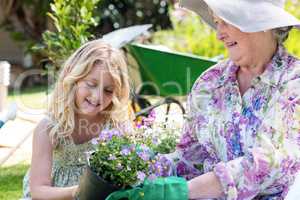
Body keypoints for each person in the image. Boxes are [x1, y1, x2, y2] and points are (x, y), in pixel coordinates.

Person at [107, 0, 300, 200]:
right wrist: (133, 176)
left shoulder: (294, 81)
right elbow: (189, 158)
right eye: (217, 22)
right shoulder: (211, 81)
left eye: (226, 21)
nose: (219, 34)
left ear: (261, 23)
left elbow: (270, 162)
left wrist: (181, 191)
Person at [22, 40, 132, 200]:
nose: (97, 97)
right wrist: (79, 191)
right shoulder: (48, 129)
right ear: (73, 79)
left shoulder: (117, 125)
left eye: (108, 90)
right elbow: (38, 191)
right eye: (91, 84)